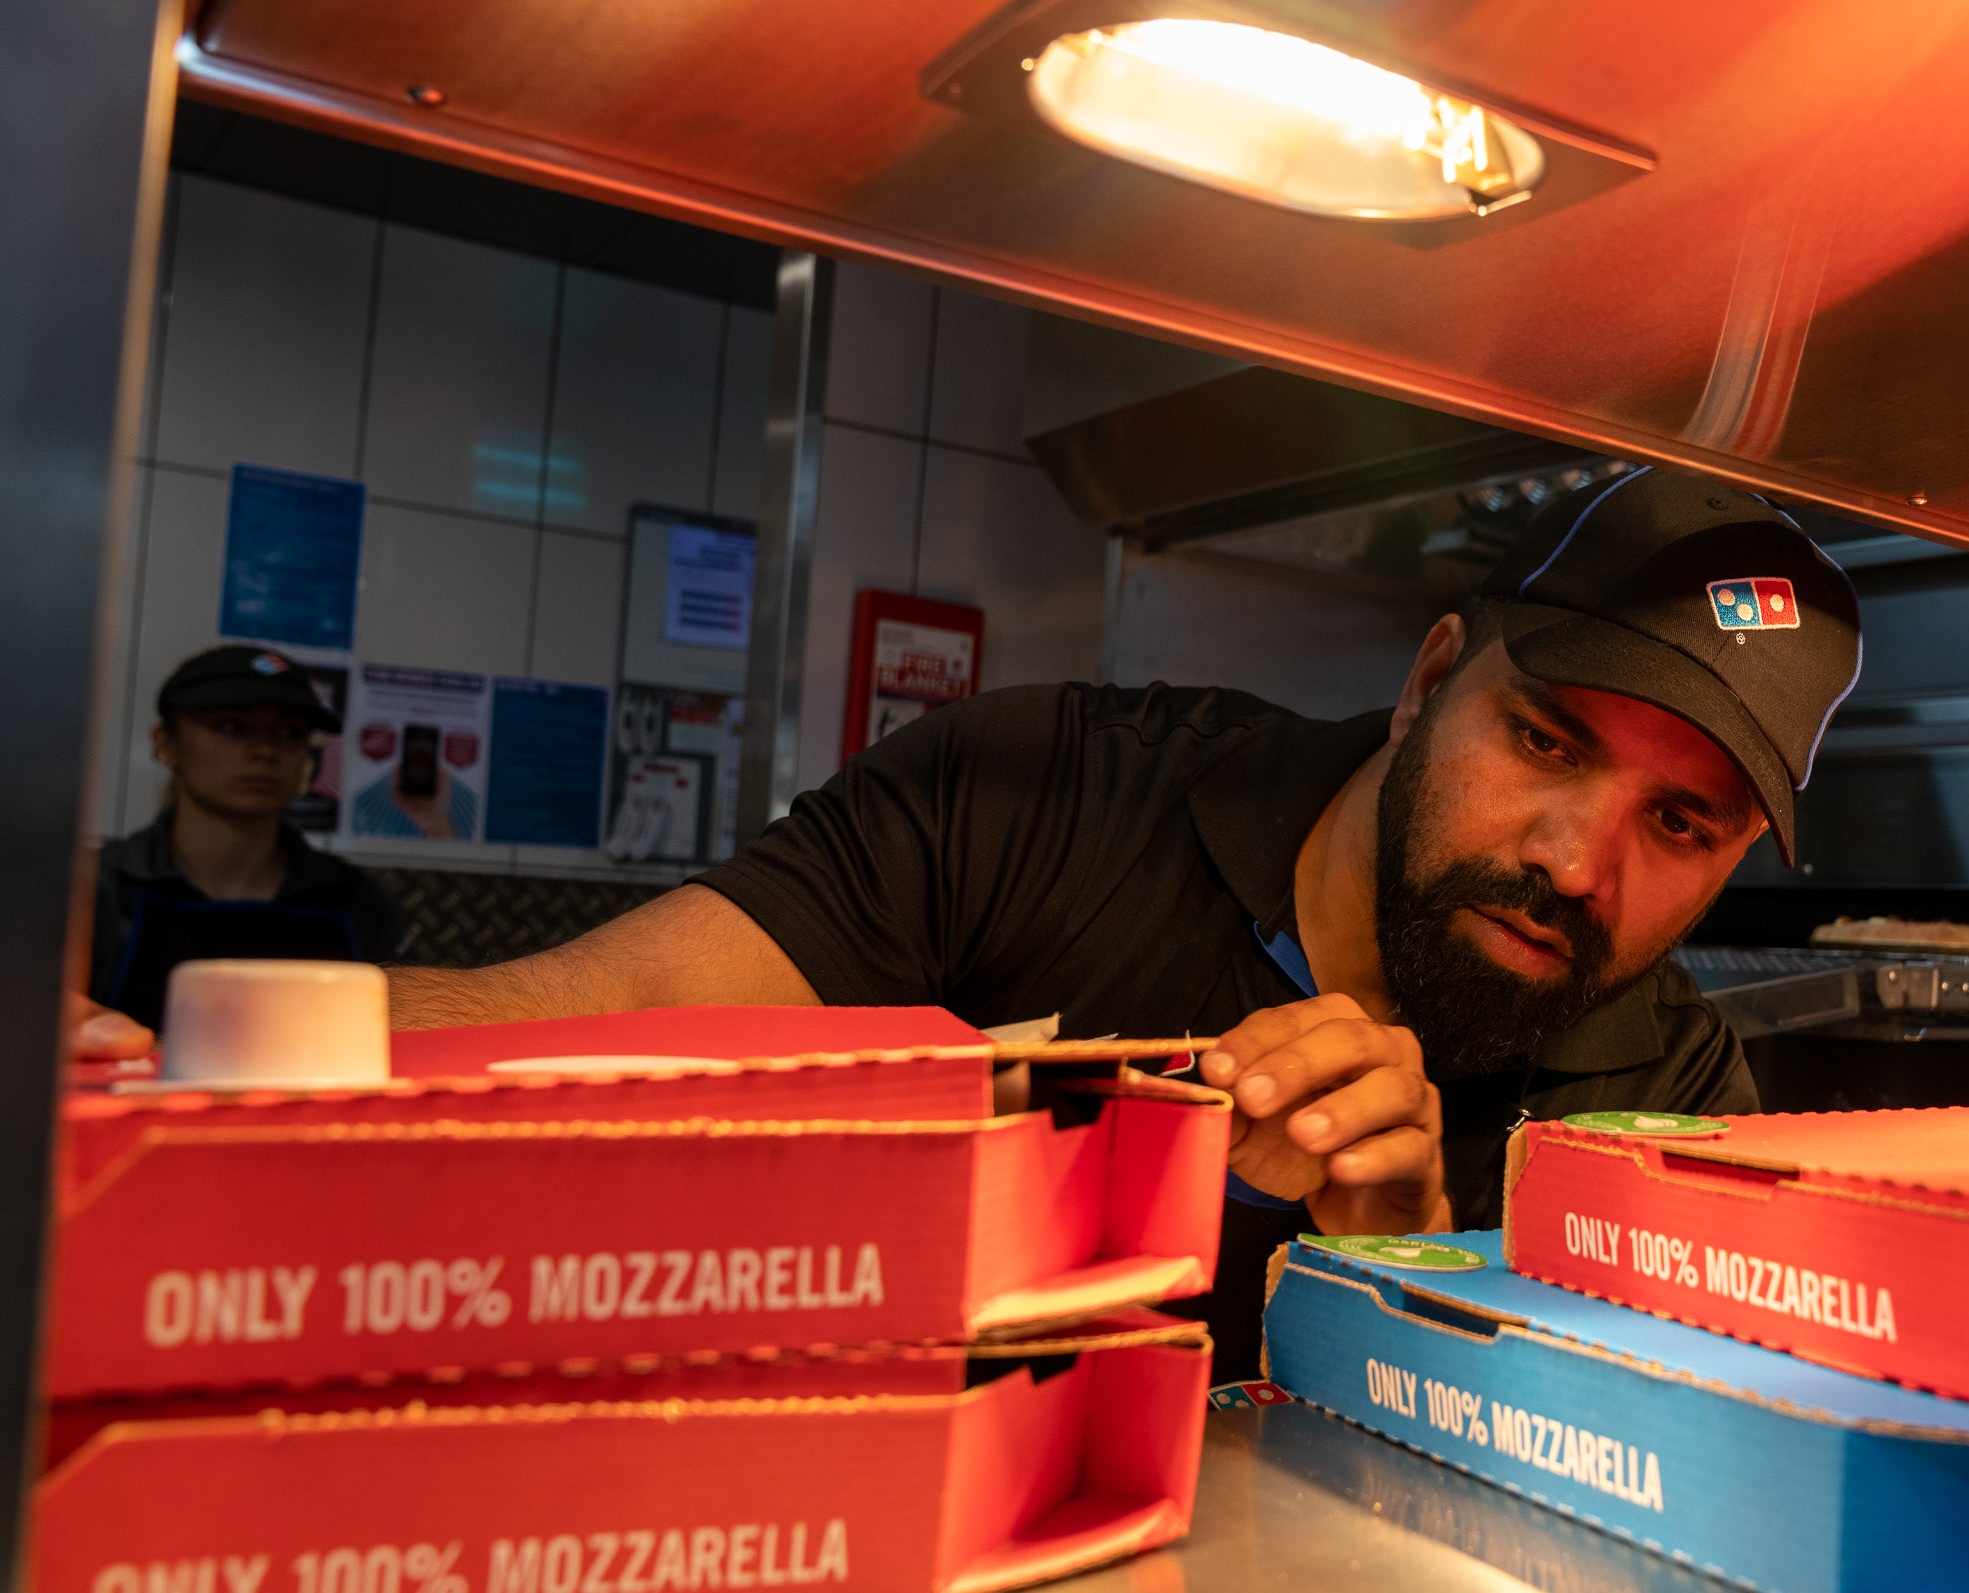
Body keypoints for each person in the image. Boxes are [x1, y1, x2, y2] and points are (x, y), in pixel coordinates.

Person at [87, 470, 1862, 1376]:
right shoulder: (1048, 794)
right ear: (1429, 683)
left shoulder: (1675, 1105)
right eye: (1544, 744)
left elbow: (1638, 1515)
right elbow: (613, 1008)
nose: (1573, 858)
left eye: (1680, 823)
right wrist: (163, 1068)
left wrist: (1402, 1259)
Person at [76, 645, 405, 1047]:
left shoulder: (355, 899)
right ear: (166, 743)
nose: (264, 751)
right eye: (231, 726)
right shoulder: (94, 890)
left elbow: (399, 1027)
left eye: (289, 733)